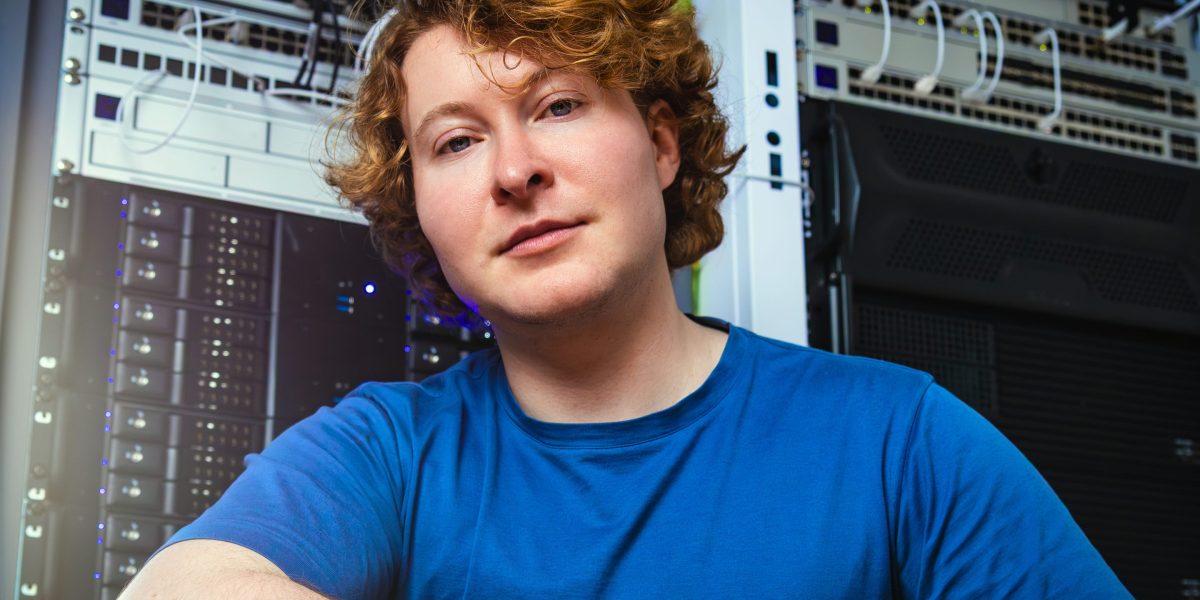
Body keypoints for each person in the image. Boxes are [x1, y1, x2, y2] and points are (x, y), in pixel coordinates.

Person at [122, 1, 1132, 598]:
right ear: (419, 206)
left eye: (558, 105)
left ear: (660, 144)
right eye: (457, 141)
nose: (513, 170)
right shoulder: (388, 453)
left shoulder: (898, 442)